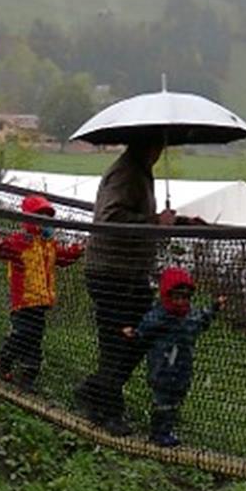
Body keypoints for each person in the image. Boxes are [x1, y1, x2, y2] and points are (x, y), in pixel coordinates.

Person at [75, 133, 177, 435]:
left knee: (141, 334)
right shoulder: (126, 172)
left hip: (129, 273)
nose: (161, 151)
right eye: (160, 145)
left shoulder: (138, 170)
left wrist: (177, 222)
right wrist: (155, 222)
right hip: (112, 272)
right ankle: (108, 411)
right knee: (117, 343)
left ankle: (95, 390)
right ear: (150, 145)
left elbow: (138, 216)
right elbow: (110, 218)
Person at [0, 194, 84, 392]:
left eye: (48, 218)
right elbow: (3, 251)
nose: (47, 222)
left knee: (34, 341)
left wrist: (77, 250)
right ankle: (5, 359)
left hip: (41, 302)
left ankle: (27, 379)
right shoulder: (21, 241)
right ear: (30, 219)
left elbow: (64, 258)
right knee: (23, 334)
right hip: (23, 301)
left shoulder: (49, 245)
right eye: (41, 217)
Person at [121, 267, 224, 447]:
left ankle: (166, 429)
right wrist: (135, 335)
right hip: (162, 366)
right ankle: (158, 433)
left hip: (183, 366)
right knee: (162, 399)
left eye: (185, 298)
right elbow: (145, 329)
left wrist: (214, 307)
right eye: (177, 297)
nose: (181, 302)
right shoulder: (160, 315)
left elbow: (202, 319)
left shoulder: (189, 315)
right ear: (167, 296)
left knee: (176, 398)